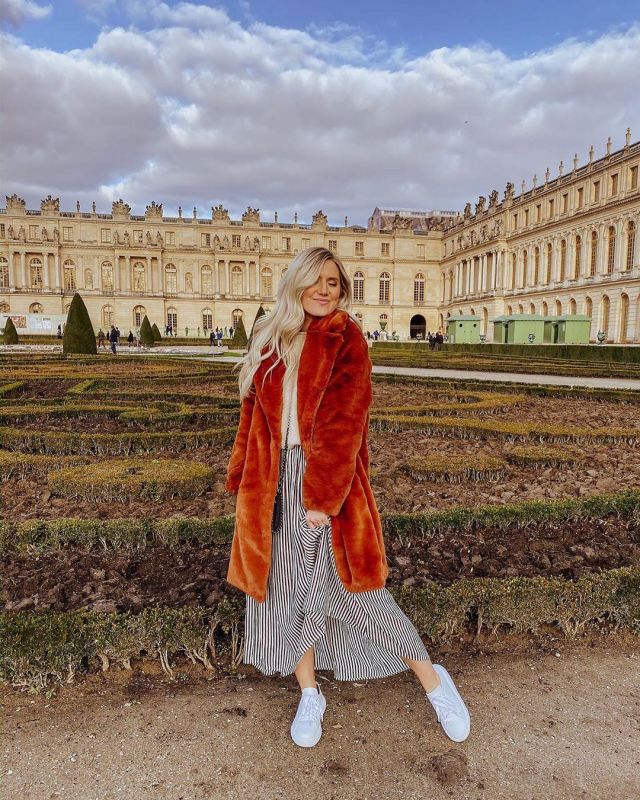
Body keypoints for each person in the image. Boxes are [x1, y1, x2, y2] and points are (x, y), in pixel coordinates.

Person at [225, 247, 470, 749]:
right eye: (315, 280)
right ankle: (310, 693)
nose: (323, 289)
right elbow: (251, 418)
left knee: (362, 597)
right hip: (271, 483)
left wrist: (321, 498)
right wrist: (241, 475)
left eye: (333, 283)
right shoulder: (270, 336)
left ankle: (435, 682)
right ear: (296, 282)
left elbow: (345, 425)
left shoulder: (347, 337)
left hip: (325, 486)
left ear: (342, 291)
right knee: (283, 594)